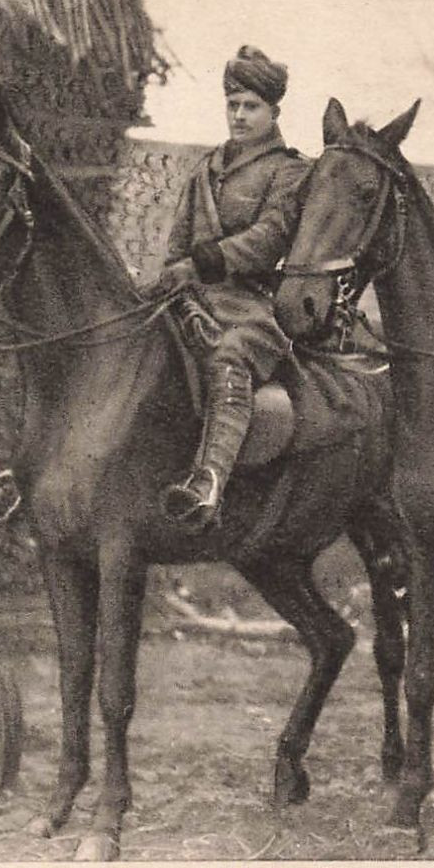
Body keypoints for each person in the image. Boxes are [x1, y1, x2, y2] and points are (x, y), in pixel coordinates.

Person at [141, 44, 312, 528]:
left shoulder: (290, 170)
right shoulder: (206, 167)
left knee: (228, 355)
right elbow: (178, 239)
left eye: (251, 106)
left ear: (274, 111)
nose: (239, 115)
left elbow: (269, 238)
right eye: (233, 104)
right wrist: (174, 273)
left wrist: (203, 263)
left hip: (249, 307)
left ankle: (209, 480)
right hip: (190, 297)